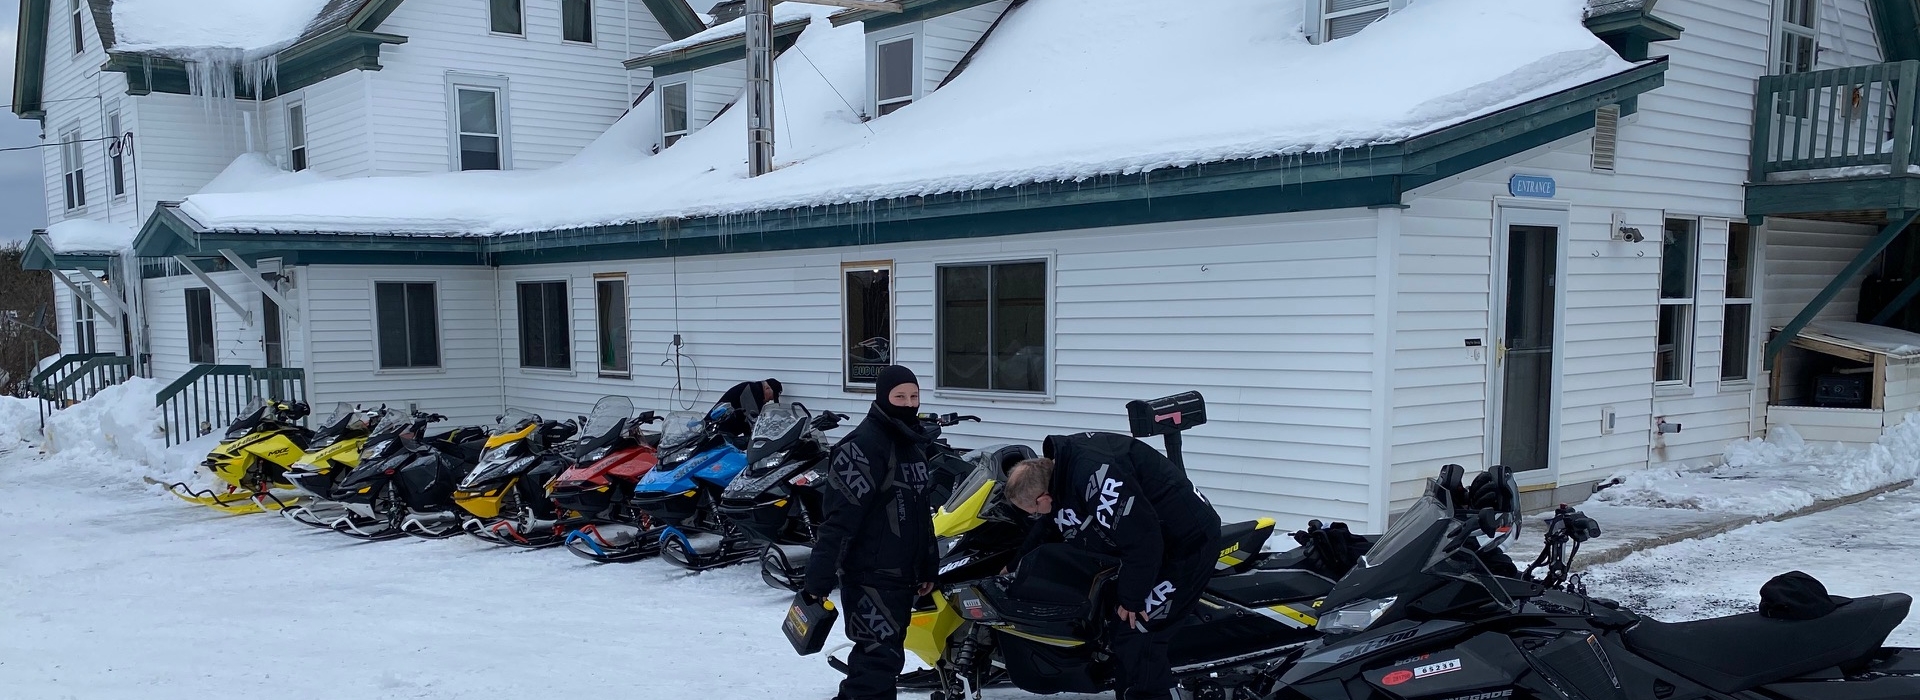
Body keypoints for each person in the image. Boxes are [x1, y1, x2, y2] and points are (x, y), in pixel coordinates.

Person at [1003, 432, 1222, 700]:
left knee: (1135, 629)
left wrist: (1132, 600)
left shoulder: (1096, 480)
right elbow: (1048, 526)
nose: (1036, 515)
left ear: (1043, 496)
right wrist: (1013, 566)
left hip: (1187, 543)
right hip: (1156, 540)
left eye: (1033, 510)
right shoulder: (1061, 470)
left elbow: (1143, 541)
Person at [802, 365, 938, 700]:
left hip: (902, 576)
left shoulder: (912, 443)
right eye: (899, 397)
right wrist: (817, 583)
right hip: (869, 576)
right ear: (882, 398)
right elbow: (838, 522)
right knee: (875, 666)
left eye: (914, 397)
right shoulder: (860, 447)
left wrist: (928, 565)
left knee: (885, 663)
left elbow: (921, 514)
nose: (908, 404)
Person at [714, 377, 782, 437]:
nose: (770, 399)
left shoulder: (755, 391)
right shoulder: (753, 390)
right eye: (771, 396)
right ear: (767, 388)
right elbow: (752, 421)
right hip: (718, 429)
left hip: (724, 429)